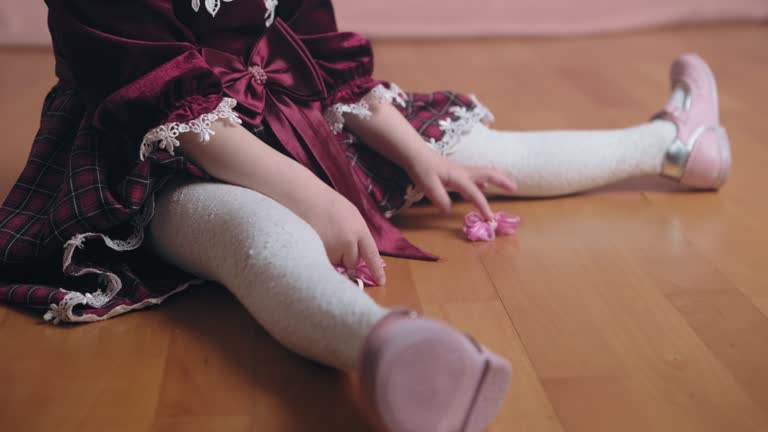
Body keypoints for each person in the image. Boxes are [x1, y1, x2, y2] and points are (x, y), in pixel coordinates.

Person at [0, 1, 730, 431]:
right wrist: (311, 194)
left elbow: (322, 60)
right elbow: (157, 100)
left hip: (277, 117)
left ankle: (671, 144)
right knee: (254, 233)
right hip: (149, 152)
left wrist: (421, 155)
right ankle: (385, 346)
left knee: (469, 143)